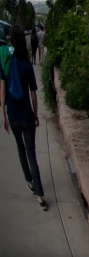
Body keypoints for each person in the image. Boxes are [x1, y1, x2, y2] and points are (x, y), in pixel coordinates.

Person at [1, 25, 47, 210]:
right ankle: (40, 195)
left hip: (12, 115)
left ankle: (29, 181)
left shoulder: (6, 62)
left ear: (11, 41)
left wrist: (3, 115)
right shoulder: (27, 65)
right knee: (31, 153)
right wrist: (35, 115)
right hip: (27, 115)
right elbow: (34, 94)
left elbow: (2, 90)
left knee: (21, 150)